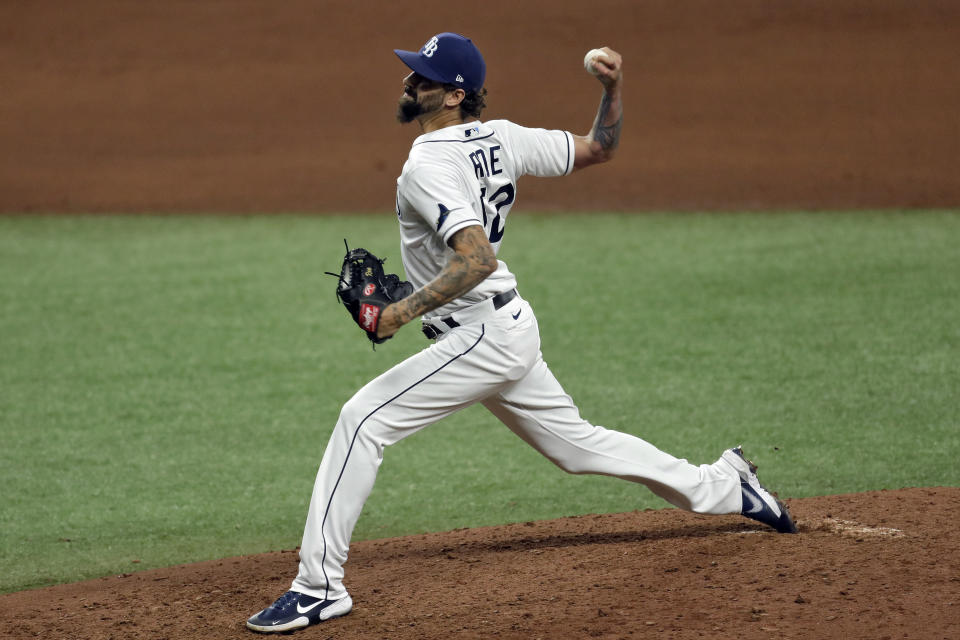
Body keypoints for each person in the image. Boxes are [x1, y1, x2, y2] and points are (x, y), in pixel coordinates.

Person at [246, 32, 797, 634]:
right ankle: (725, 486)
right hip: (505, 327)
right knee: (578, 446)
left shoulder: (427, 164)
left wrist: (396, 314)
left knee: (362, 420)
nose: (410, 84)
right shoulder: (501, 136)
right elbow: (599, 148)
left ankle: (317, 587)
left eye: (423, 79)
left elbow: (475, 259)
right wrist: (612, 91)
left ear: (454, 95)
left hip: (481, 334)